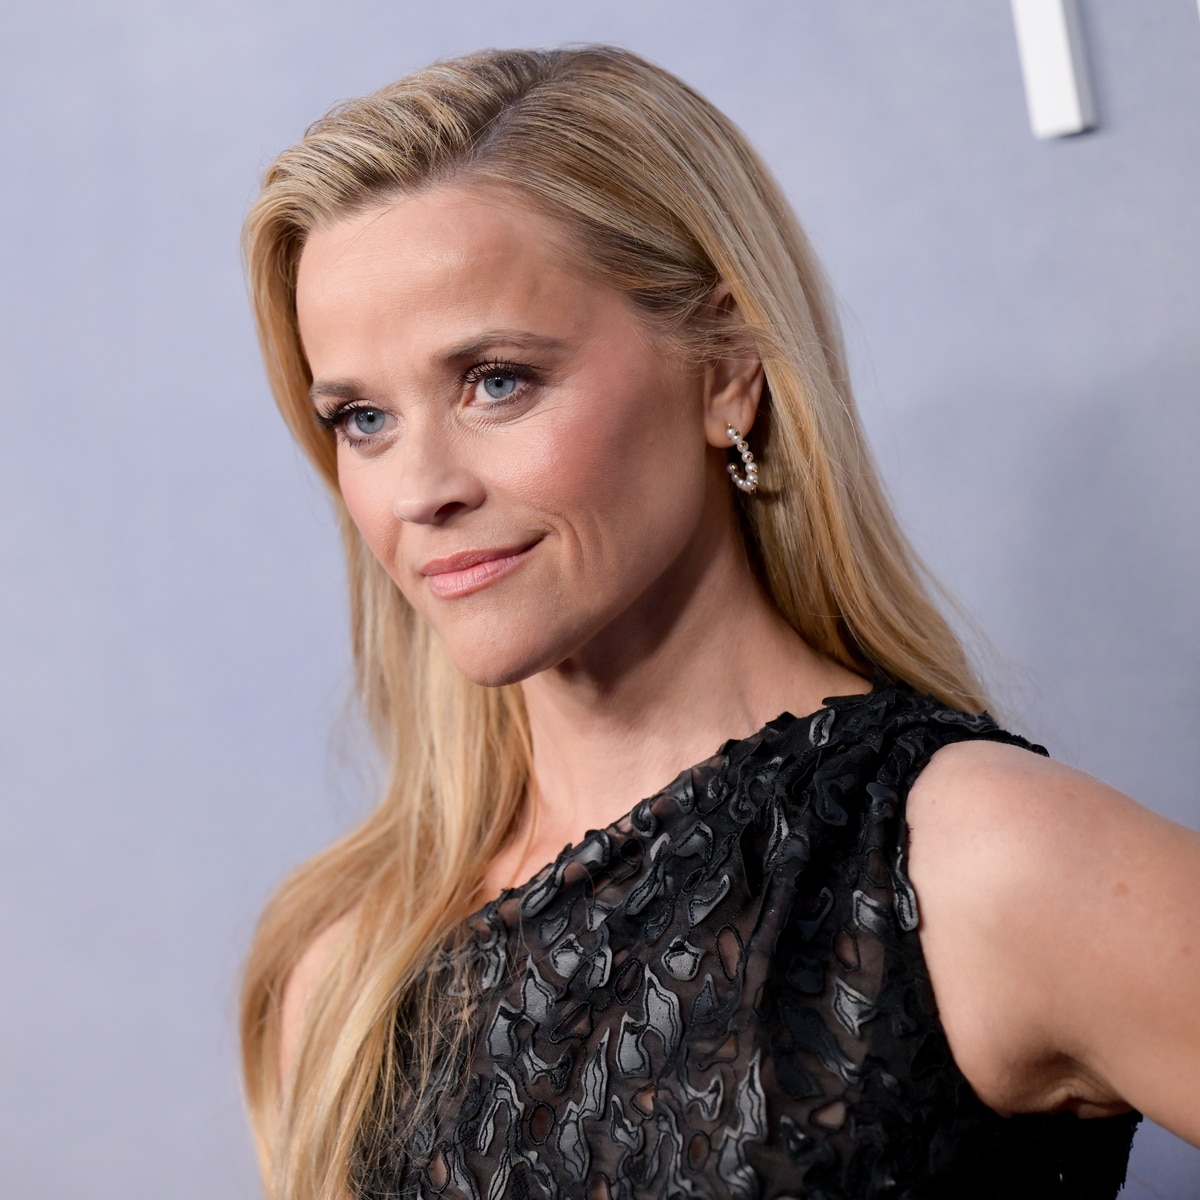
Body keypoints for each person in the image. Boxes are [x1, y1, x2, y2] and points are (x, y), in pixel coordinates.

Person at [238, 45, 1200, 1200]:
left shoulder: (979, 865)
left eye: (496, 380)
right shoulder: (347, 973)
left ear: (728, 369)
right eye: (362, 419)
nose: (417, 492)